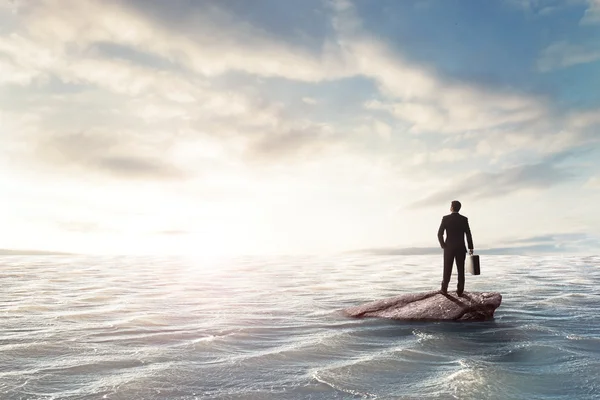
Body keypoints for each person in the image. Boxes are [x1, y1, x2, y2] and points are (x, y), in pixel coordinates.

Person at [437, 200, 474, 296]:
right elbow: (468, 234)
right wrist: (470, 247)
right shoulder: (464, 219)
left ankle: (444, 289)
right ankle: (460, 291)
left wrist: (443, 245)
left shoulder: (445, 218)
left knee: (447, 269)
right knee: (461, 270)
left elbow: (439, 233)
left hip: (448, 247)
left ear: (452, 207)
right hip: (461, 247)